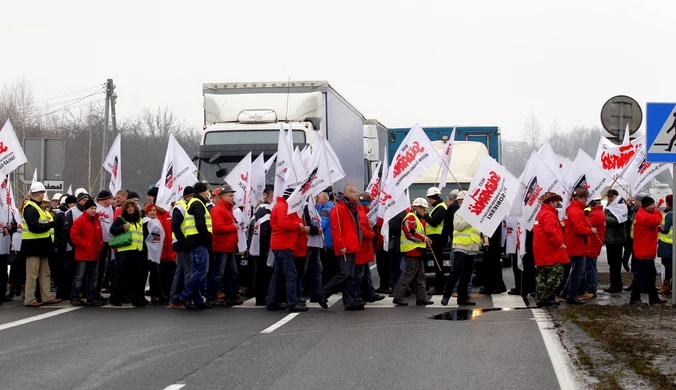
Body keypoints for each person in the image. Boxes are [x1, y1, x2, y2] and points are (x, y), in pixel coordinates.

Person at [315, 185, 363, 311]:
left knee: (349, 275)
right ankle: (322, 294)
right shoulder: (339, 209)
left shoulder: (351, 207)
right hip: (345, 247)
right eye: (354, 192)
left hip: (352, 245)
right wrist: (341, 245)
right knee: (344, 274)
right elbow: (336, 229)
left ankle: (349, 301)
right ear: (347, 193)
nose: (357, 194)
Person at [267, 187, 308, 312]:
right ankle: (292, 303)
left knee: (278, 275)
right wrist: (299, 225)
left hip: (282, 244)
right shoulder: (283, 207)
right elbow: (283, 224)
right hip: (283, 244)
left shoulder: (282, 206)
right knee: (291, 274)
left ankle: (273, 302)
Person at [22, 182, 61, 307]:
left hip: (42, 245)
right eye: (43, 192)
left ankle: (46, 296)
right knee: (32, 274)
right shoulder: (30, 208)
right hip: (33, 246)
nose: (43, 194)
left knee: (45, 272)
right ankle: (30, 298)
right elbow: (34, 227)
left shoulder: (37, 207)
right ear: (39, 193)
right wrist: (50, 225)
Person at [393, 197, 434, 307]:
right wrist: (423, 239)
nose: (425, 212)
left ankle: (421, 298)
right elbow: (410, 234)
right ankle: (397, 297)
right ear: (417, 208)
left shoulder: (415, 218)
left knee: (420, 275)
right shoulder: (411, 217)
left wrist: (425, 238)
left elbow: (415, 233)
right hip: (411, 251)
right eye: (424, 209)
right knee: (409, 274)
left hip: (417, 251)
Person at [442, 191, 480, 306]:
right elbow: (458, 226)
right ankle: (446, 295)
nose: (460, 204)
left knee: (467, 274)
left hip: (472, 246)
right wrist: (469, 219)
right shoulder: (458, 213)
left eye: (462, 201)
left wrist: (485, 242)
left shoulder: (475, 213)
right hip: (460, 246)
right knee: (456, 271)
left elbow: (480, 228)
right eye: (459, 202)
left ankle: (462, 298)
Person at [561, 187, 597, 305]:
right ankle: (571, 295)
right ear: (580, 198)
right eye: (585, 199)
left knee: (575, 271)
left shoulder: (573, 209)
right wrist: (590, 230)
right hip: (577, 246)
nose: (586, 201)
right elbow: (579, 229)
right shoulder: (576, 211)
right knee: (577, 272)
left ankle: (566, 292)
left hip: (574, 244)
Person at [533, 192, 569, 307]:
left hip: (541, 249)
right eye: (556, 202)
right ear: (551, 202)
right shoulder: (549, 214)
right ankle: (546, 297)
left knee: (542, 274)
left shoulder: (541, 213)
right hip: (549, 249)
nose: (557, 204)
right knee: (556, 272)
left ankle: (540, 298)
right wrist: (560, 243)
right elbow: (550, 230)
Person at [180, 182, 213, 310]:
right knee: (202, 270)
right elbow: (200, 224)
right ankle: (186, 295)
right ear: (202, 192)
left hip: (193, 240)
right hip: (199, 240)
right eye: (206, 191)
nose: (207, 193)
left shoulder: (193, 202)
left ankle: (197, 299)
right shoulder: (198, 204)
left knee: (196, 271)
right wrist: (208, 237)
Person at [206, 185, 241, 307]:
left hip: (228, 245)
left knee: (231, 273)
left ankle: (230, 296)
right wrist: (233, 227)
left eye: (232, 195)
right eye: (230, 195)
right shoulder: (218, 210)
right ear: (222, 197)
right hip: (221, 246)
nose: (232, 198)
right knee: (218, 273)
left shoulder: (228, 209)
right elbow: (218, 228)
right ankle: (210, 297)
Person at [631, 196, 666, 305]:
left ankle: (652, 297)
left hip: (645, 250)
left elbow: (652, 225)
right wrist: (657, 211)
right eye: (651, 204)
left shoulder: (643, 214)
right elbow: (657, 220)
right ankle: (636, 298)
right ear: (646, 206)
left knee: (649, 274)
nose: (654, 206)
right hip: (644, 250)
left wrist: (657, 228)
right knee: (642, 275)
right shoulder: (642, 215)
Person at [109, 200, 145, 307]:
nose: (130, 209)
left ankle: (136, 298)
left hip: (137, 250)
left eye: (132, 207)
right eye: (128, 207)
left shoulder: (139, 220)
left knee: (135, 276)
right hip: (124, 251)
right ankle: (115, 298)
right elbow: (112, 230)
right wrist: (122, 228)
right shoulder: (121, 219)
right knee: (121, 275)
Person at [69, 199, 105, 306]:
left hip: (95, 253)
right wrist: (85, 245)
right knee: (80, 276)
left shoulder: (96, 221)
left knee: (94, 277)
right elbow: (74, 235)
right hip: (83, 254)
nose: (94, 210)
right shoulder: (80, 220)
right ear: (86, 209)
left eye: (94, 208)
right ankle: (74, 297)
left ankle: (91, 297)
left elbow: (99, 236)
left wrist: (100, 245)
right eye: (91, 208)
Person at [354, 193, 385, 304]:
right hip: (362, 249)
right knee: (359, 275)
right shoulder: (361, 214)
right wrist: (372, 234)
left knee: (366, 273)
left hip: (363, 249)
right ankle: (356, 297)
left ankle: (369, 294)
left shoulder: (360, 212)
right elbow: (362, 231)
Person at [169, 186, 193, 308]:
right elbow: (175, 226)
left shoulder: (185, 205)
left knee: (181, 271)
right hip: (182, 243)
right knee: (188, 271)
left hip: (183, 242)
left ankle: (174, 297)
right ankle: (186, 297)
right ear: (188, 196)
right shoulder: (180, 207)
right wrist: (183, 240)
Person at [423, 187, 448, 295]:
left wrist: (425, 216)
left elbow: (434, 222)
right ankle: (439, 287)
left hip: (438, 238)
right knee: (438, 264)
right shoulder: (437, 207)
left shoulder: (441, 208)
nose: (428, 201)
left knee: (438, 264)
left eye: (429, 198)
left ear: (432, 198)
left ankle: (439, 288)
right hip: (436, 238)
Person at [251, 186, 273, 306]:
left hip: (259, 245)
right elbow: (265, 230)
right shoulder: (265, 209)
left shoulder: (261, 208)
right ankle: (261, 297)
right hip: (263, 247)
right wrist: (266, 248)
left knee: (262, 272)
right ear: (271, 197)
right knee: (263, 272)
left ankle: (262, 296)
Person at [604, 189, 627, 293]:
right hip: (610, 240)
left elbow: (616, 221)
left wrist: (604, 217)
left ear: (616, 197)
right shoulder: (609, 207)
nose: (609, 199)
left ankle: (616, 286)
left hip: (616, 240)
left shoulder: (620, 207)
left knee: (615, 265)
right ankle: (614, 284)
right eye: (608, 197)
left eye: (611, 197)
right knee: (612, 264)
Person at [583, 194, 606, 297]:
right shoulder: (599, 212)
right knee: (590, 267)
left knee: (590, 268)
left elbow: (585, 225)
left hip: (592, 243)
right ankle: (590, 287)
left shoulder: (595, 214)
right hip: (595, 242)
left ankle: (591, 289)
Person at [142, 203, 163, 303]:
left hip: (156, 249)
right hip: (147, 250)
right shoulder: (146, 221)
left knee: (155, 274)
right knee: (145, 273)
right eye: (150, 210)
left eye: (154, 210)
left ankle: (155, 294)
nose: (153, 212)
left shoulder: (157, 221)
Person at [95, 190, 114, 299]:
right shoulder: (96, 208)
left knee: (103, 268)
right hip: (98, 242)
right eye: (110, 198)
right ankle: (93, 292)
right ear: (104, 199)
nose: (112, 200)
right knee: (96, 269)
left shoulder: (111, 209)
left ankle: (98, 291)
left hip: (107, 242)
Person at [301, 203, 322, 301]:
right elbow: (307, 224)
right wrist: (317, 230)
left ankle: (316, 295)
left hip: (316, 244)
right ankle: (297, 295)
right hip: (308, 243)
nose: (317, 198)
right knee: (303, 270)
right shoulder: (305, 206)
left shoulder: (313, 207)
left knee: (317, 270)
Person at [315, 192, 335, 285]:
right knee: (330, 265)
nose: (317, 200)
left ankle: (325, 286)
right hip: (331, 241)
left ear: (325, 199)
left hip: (325, 241)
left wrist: (314, 227)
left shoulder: (324, 210)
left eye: (318, 198)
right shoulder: (332, 208)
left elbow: (322, 225)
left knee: (325, 266)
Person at [658, 194, 673, 294]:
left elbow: (666, 229)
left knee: (668, 265)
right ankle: (668, 284)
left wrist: (659, 227)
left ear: (667, 202)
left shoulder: (670, 214)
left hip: (666, 243)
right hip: (670, 243)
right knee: (670, 265)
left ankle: (666, 285)